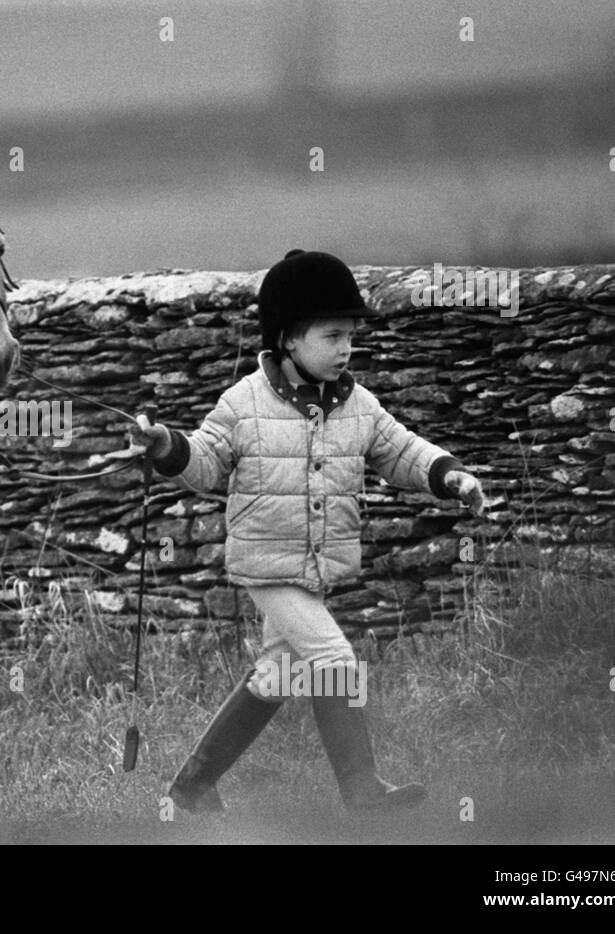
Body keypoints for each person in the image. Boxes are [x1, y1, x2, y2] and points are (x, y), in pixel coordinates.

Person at [129, 249, 485, 813]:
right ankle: (362, 789)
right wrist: (167, 446)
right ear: (290, 338)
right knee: (334, 659)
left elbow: (402, 452)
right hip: (267, 567)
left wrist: (449, 474)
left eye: (351, 336)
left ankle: (190, 787)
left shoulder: (358, 405)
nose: (347, 348)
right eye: (333, 335)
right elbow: (205, 462)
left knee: (275, 675)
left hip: (315, 568)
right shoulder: (243, 404)